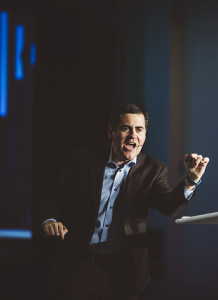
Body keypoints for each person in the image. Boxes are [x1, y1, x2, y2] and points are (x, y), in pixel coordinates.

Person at [39, 102, 209, 299]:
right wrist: (50, 220)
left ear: (144, 135)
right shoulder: (83, 159)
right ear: (111, 131)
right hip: (81, 266)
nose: (132, 135)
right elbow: (54, 196)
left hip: (124, 271)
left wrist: (191, 180)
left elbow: (168, 205)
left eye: (139, 129)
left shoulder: (154, 169)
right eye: (126, 128)